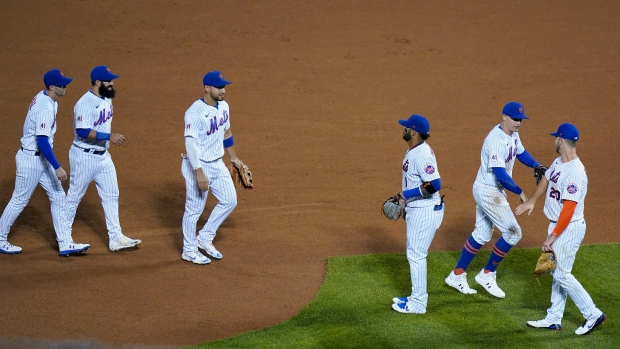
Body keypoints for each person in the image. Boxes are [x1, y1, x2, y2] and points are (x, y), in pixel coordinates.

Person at [444, 101, 545, 298]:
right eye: (515, 119)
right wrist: (520, 192)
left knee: (481, 233)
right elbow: (500, 174)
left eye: (521, 120)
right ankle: (487, 274)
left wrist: (536, 165)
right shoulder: (495, 141)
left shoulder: (512, 132)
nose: (519, 123)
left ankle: (456, 275)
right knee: (513, 233)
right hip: (489, 191)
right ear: (504, 117)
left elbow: (520, 152)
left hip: (490, 190)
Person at [516, 123, 606, 335]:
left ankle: (593, 314)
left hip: (568, 228)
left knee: (562, 274)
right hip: (557, 225)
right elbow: (547, 178)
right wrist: (532, 201)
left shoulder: (575, 173)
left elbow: (568, 210)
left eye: (556, 138)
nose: (554, 140)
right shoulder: (559, 162)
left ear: (562, 141)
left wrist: (552, 238)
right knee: (556, 272)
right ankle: (554, 318)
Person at [0, 69, 90, 256]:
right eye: (62, 85)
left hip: (39, 158)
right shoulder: (46, 107)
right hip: (32, 160)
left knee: (58, 197)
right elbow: (42, 141)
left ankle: (65, 243)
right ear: (51, 87)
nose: (66, 87)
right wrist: (57, 167)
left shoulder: (47, 99)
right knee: (19, 200)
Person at [64, 65, 141, 252]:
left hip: (103, 157)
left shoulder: (107, 98)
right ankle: (63, 237)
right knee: (74, 197)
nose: (112, 83)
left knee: (111, 195)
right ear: (98, 82)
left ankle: (116, 238)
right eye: (109, 80)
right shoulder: (84, 103)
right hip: (84, 156)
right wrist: (109, 136)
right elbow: (81, 131)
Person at [180, 71, 243, 265]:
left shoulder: (224, 106)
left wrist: (234, 158)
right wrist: (199, 172)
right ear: (207, 88)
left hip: (217, 163)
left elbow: (227, 132)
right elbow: (190, 144)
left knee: (229, 201)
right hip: (197, 165)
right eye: (219, 87)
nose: (223, 90)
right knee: (194, 209)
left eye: (224, 87)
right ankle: (189, 250)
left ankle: (204, 238)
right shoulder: (194, 113)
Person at [391, 114, 445, 314]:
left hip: (425, 210)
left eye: (406, 127)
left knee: (416, 256)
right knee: (415, 254)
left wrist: (406, 195)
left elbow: (435, 184)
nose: (403, 129)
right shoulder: (415, 150)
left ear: (413, 131)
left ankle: (419, 303)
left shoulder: (421, 154)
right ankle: (416, 297)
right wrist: (407, 203)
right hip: (419, 208)